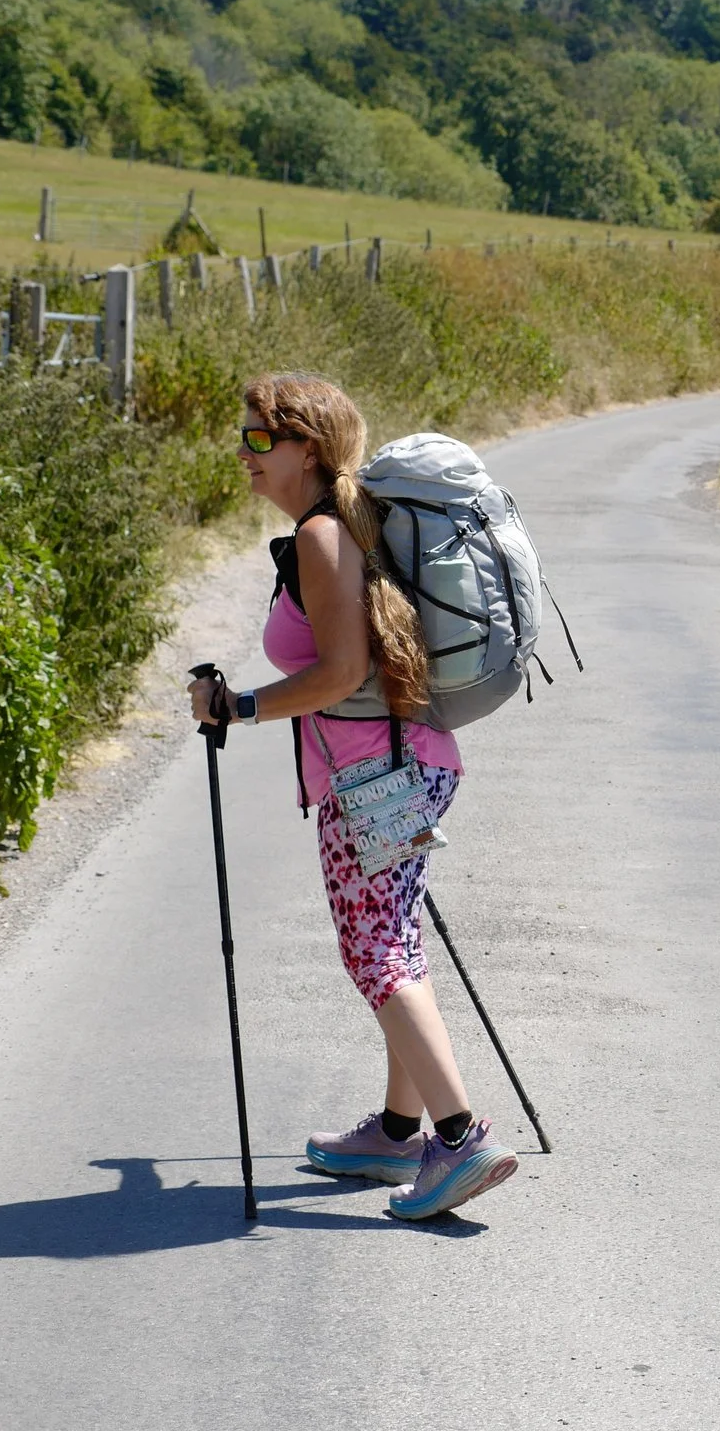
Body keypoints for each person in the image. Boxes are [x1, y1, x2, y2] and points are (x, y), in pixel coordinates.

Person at [187, 373, 517, 1221]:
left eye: (261, 439)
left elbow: (340, 672)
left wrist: (242, 705)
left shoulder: (322, 538)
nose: (245, 454)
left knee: (374, 953)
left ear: (308, 446)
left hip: (376, 774)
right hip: (404, 764)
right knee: (392, 943)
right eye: (246, 437)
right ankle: (400, 1131)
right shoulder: (334, 530)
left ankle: (459, 1137)